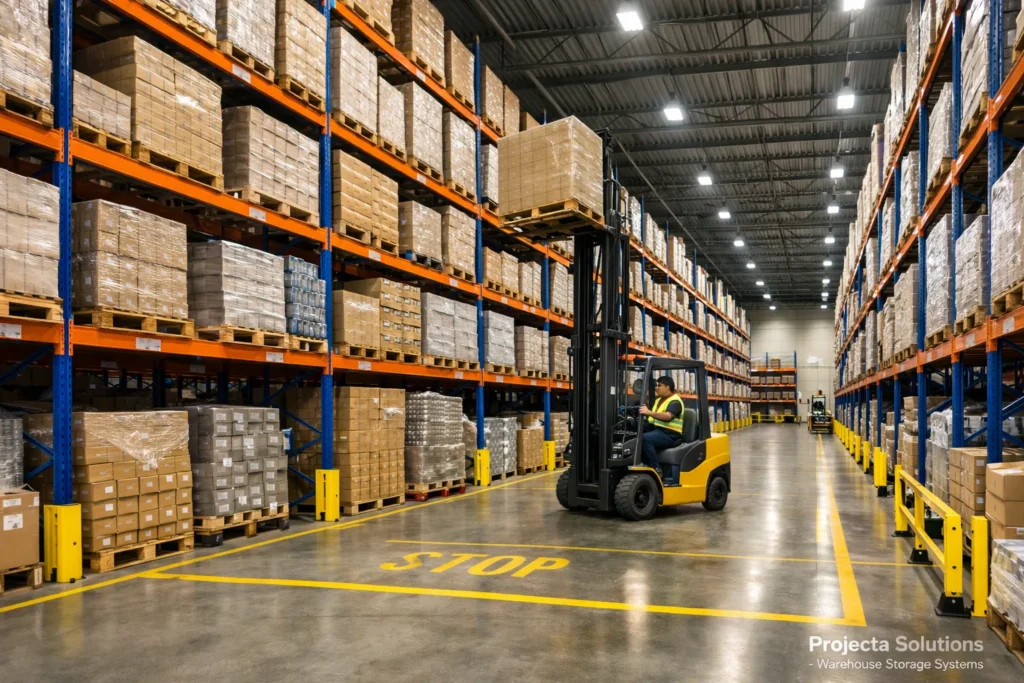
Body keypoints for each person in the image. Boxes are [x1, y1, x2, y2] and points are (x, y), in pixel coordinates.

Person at [638, 376, 685, 481]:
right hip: (659, 431)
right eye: (656, 385)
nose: (656, 388)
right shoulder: (659, 400)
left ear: (667, 387)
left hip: (671, 435)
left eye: (659, 385)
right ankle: (644, 465)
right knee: (635, 435)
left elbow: (668, 416)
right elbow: (652, 419)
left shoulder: (675, 401)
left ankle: (656, 469)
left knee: (646, 438)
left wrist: (648, 412)